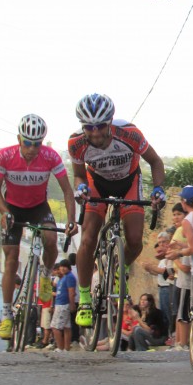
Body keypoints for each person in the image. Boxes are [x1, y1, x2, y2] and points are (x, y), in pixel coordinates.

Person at [68, 93, 165, 328]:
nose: (95, 133)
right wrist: (80, 186)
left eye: (101, 126)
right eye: (89, 127)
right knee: (88, 238)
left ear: (110, 122)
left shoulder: (129, 134)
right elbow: (80, 173)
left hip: (129, 181)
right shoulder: (76, 143)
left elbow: (156, 162)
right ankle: (84, 299)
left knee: (134, 240)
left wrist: (159, 189)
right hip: (97, 183)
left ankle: (120, 269)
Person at [0, 114, 78, 340]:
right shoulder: (5, 156)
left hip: (39, 207)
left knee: (51, 241)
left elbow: (68, 190)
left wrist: (71, 219)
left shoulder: (50, 157)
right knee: (11, 258)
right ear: (19, 138)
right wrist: (4, 212)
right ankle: (7, 313)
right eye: (27, 143)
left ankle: (46, 273)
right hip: (13, 207)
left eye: (37, 144)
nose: (32, 148)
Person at [165, 202, 191, 350]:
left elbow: (183, 253)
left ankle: (182, 342)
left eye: (178, 214)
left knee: (182, 311)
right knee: (178, 310)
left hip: (183, 273)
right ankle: (178, 341)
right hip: (177, 275)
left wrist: (175, 258)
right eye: (174, 214)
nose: (175, 217)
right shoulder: (178, 230)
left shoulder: (183, 229)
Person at [140, 232, 174, 336]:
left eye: (164, 242)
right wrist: (149, 269)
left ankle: (172, 335)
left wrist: (152, 267)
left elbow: (167, 272)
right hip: (162, 288)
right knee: (164, 313)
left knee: (169, 313)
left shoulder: (171, 256)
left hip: (168, 288)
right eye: (159, 243)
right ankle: (169, 334)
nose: (161, 245)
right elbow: (159, 274)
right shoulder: (163, 259)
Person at [51, 259, 77, 352]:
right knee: (66, 327)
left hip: (63, 304)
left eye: (64, 266)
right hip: (59, 304)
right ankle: (66, 348)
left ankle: (60, 348)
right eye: (61, 267)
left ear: (68, 267)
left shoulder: (70, 277)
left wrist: (72, 304)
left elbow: (71, 292)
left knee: (55, 327)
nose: (62, 268)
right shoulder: (63, 278)